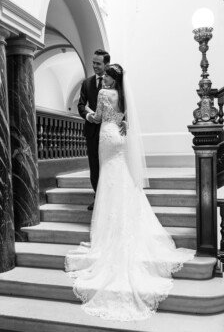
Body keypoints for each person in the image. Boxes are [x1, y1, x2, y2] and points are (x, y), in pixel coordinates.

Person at [65, 64, 195, 321]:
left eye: (108, 76)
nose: (106, 79)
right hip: (120, 139)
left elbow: (100, 117)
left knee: (108, 179)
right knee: (121, 178)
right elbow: (124, 119)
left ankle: (107, 230)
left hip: (106, 137)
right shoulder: (124, 95)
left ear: (112, 78)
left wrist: (89, 114)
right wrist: (120, 121)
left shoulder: (104, 93)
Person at [78, 49, 110, 211]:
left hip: (109, 131)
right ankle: (97, 197)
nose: (94, 66)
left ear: (106, 64)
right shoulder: (86, 83)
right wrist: (89, 117)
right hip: (91, 131)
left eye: (98, 63)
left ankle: (110, 197)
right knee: (94, 165)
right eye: (93, 63)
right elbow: (81, 105)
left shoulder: (113, 83)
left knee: (108, 164)